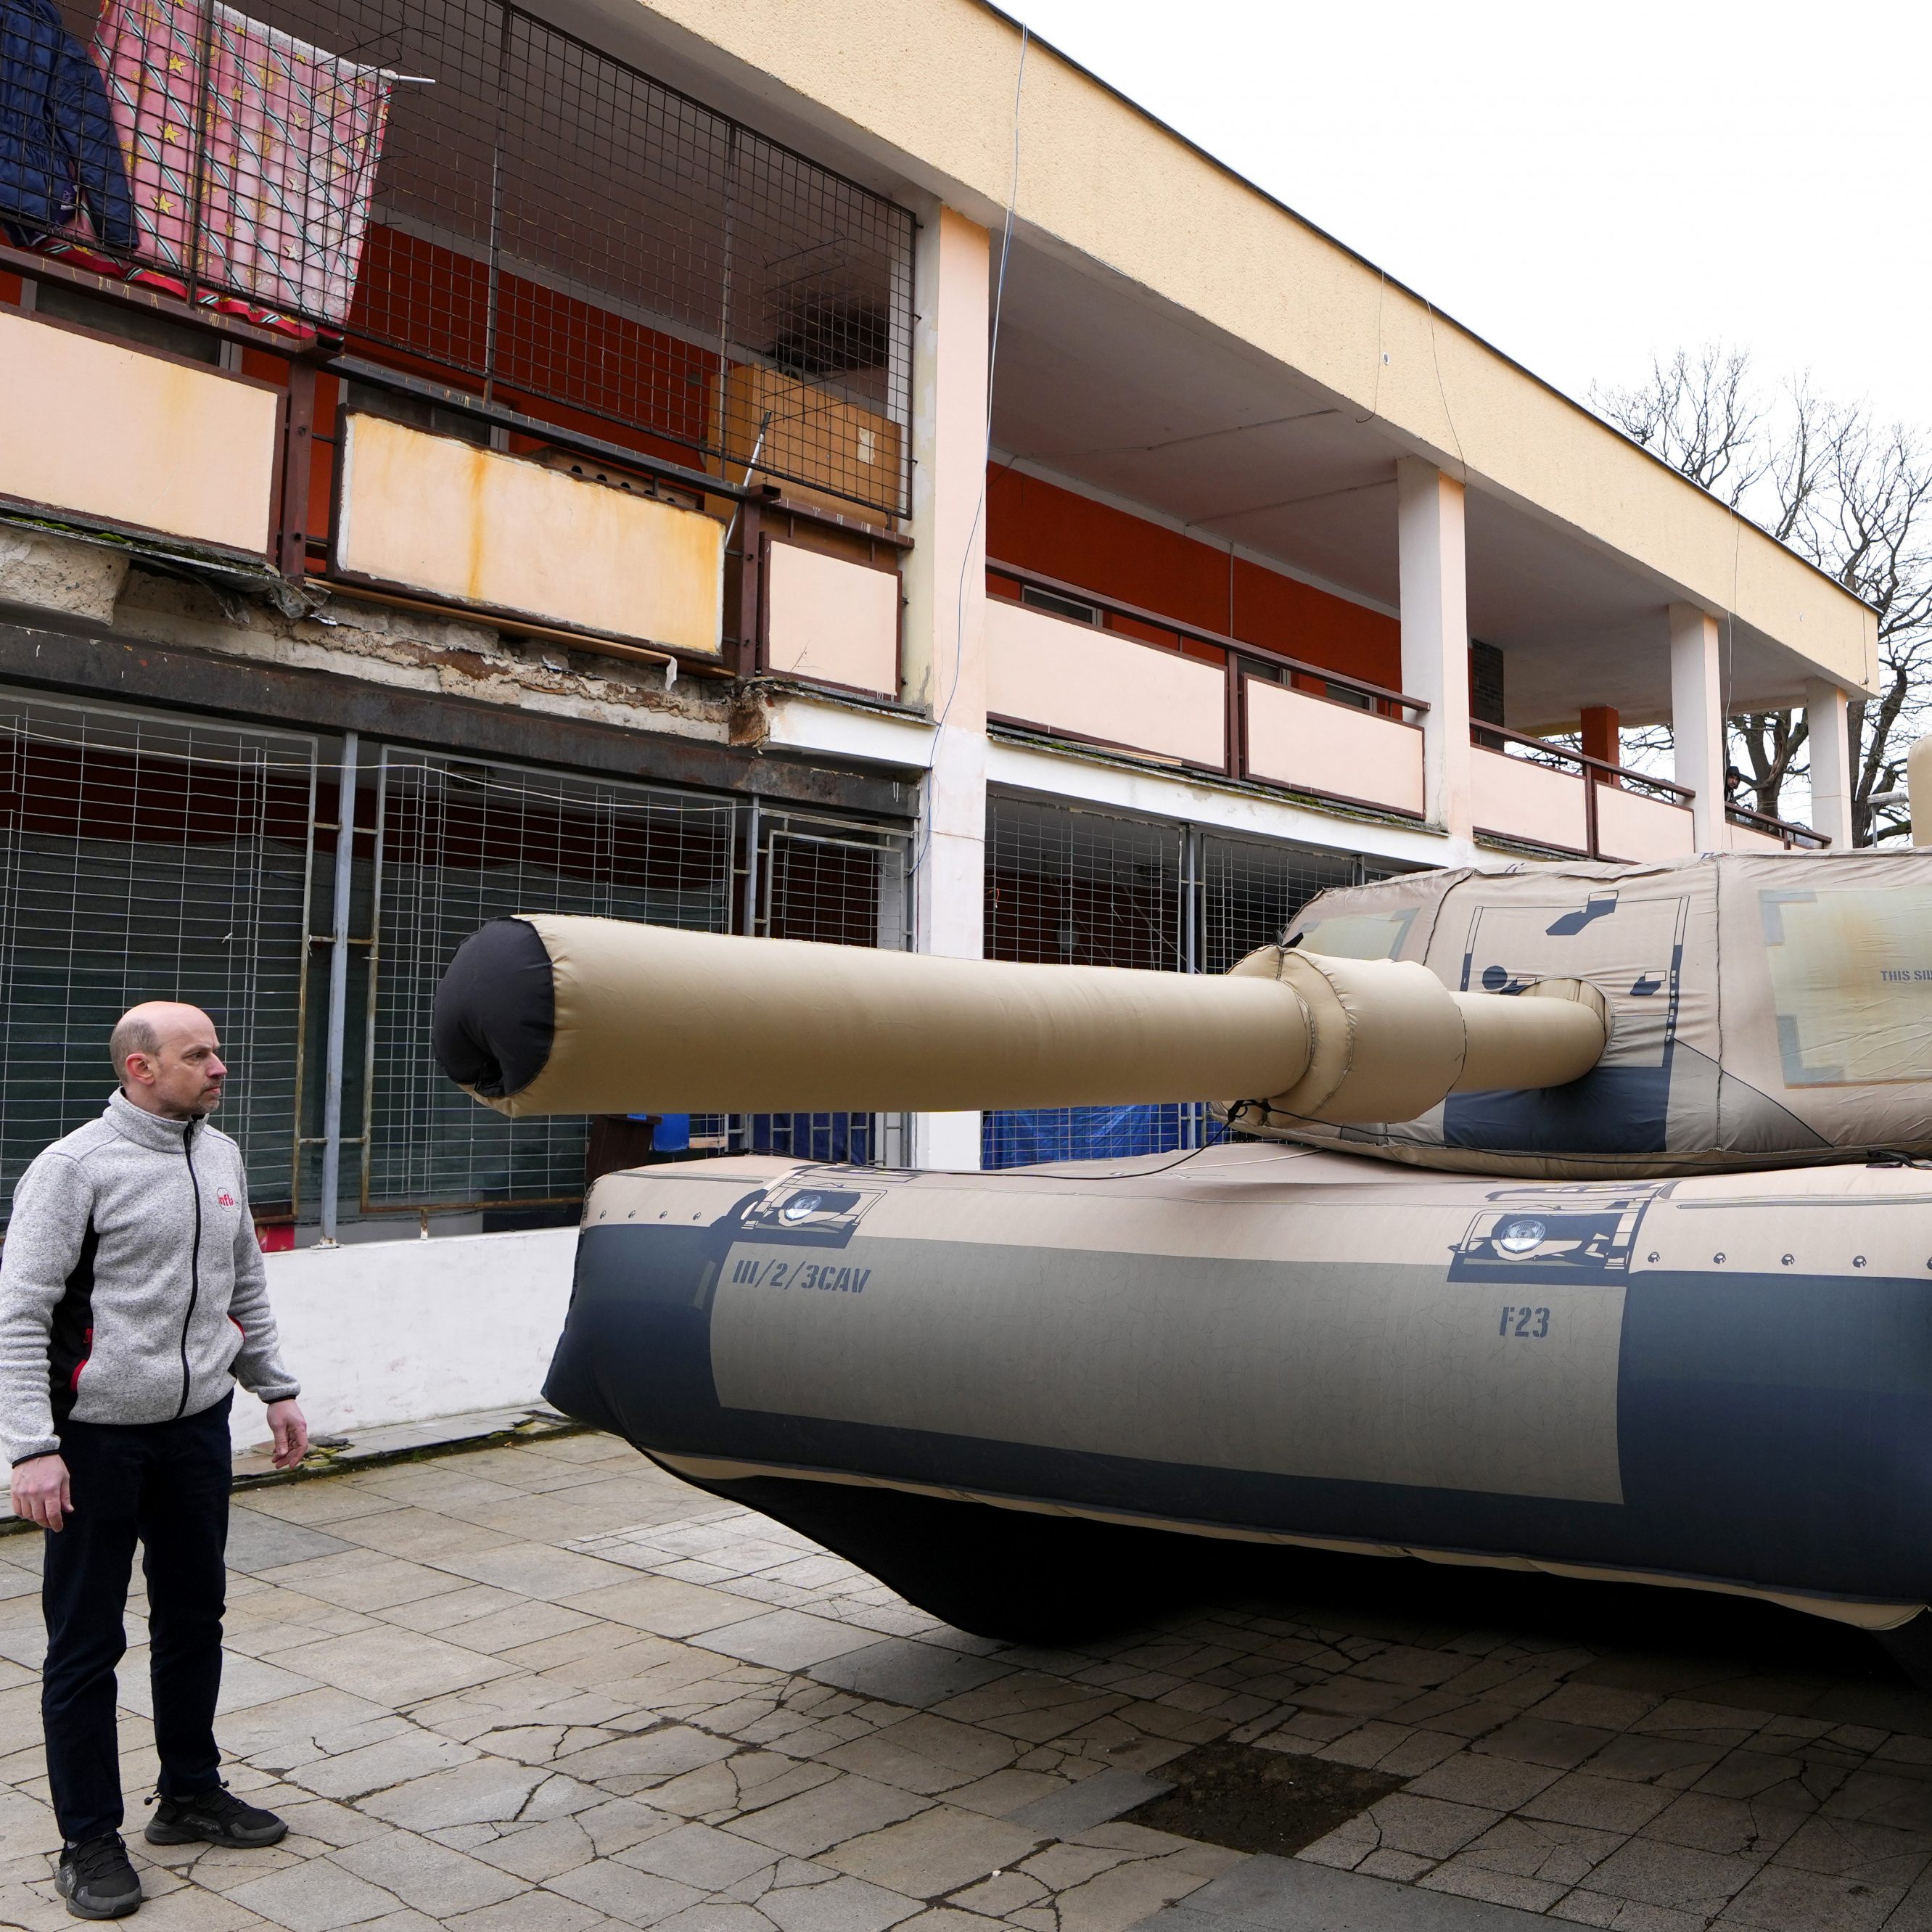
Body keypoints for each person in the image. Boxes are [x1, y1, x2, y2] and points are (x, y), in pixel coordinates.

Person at [0, 1004, 309, 1920]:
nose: (220, 1066)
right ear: (140, 1067)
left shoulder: (220, 1154)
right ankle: (88, 1838)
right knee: (86, 1641)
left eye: (217, 1049)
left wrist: (274, 1386)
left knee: (193, 1616)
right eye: (197, 1053)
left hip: (195, 1429)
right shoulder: (75, 1168)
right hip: (93, 1440)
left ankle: (189, 1792)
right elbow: (20, 1310)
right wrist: (32, 1445)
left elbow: (242, 1281)